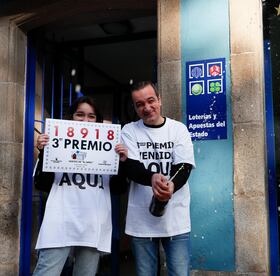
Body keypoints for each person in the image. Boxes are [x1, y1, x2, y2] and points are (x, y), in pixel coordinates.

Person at [32, 96, 128, 276]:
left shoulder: (108, 149)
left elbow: (118, 189)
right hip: (59, 222)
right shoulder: (56, 143)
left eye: (91, 116)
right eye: (80, 115)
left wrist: (121, 162)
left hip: (93, 224)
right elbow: (41, 184)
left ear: (98, 120)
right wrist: (44, 152)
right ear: (71, 118)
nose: (85, 120)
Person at [121, 81, 195, 276]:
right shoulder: (129, 131)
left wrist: (170, 186)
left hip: (176, 220)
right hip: (141, 222)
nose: (146, 108)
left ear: (160, 100)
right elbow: (131, 167)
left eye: (151, 101)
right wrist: (152, 177)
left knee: (179, 273)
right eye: (139, 104)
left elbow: (184, 167)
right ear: (135, 107)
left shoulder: (178, 129)